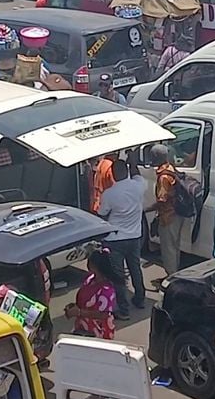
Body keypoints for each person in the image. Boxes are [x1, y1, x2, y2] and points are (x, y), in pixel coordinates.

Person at [98, 158, 148, 319]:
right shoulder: (139, 186)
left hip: (115, 239)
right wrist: (132, 160)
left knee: (118, 275)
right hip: (135, 236)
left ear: (113, 174)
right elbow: (137, 174)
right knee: (135, 269)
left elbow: (102, 214)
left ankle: (124, 309)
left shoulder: (109, 194)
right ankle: (140, 299)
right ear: (127, 171)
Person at [63, 247, 122, 339]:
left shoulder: (106, 290)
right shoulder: (90, 279)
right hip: (83, 326)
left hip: (98, 331)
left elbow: (104, 314)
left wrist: (79, 312)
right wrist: (74, 307)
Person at [145, 144, 184, 280]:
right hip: (177, 214)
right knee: (174, 247)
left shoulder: (163, 177)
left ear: (155, 157)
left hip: (168, 217)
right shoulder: (171, 168)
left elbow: (162, 200)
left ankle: (171, 278)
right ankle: (175, 274)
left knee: (168, 250)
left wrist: (146, 209)